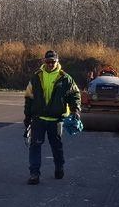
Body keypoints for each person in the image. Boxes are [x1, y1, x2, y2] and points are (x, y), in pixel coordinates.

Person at [24, 50, 81, 185]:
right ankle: (34, 174)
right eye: (48, 61)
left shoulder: (65, 78)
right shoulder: (36, 77)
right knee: (35, 146)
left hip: (56, 120)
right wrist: (27, 116)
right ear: (44, 61)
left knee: (56, 147)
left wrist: (76, 110)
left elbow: (75, 95)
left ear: (57, 61)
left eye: (52, 61)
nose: (50, 64)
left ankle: (59, 167)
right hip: (38, 119)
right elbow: (29, 97)